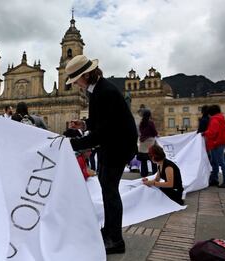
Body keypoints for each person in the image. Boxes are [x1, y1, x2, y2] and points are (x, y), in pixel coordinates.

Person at [65, 55, 138, 255]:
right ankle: (109, 230)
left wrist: (72, 143)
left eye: (77, 79)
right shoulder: (97, 89)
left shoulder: (104, 92)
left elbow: (103, 132)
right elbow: (100, 122)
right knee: (107, 189)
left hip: (118, 147)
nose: (76, 84)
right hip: (111, 145)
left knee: (110, 191)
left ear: (86, 75)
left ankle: (116, 240)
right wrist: (85, 124)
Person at [203, 105, 225, 188]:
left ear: (211, 113)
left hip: (217, 142)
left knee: (220, 162)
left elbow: (212, 132)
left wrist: (204, 133)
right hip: (218, 142)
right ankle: (214, 179)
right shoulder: (219, 118)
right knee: (215, 161)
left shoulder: (214, 119)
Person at [138, 109, 158, 177]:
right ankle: (154, 175)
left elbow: (141, 132)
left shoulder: (141, 123)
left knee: (143, 161)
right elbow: (154, 132)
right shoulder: (151, 123)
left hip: (142, 143)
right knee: (153, 161)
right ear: (149, 115)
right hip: (150, 142)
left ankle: (144, 176)